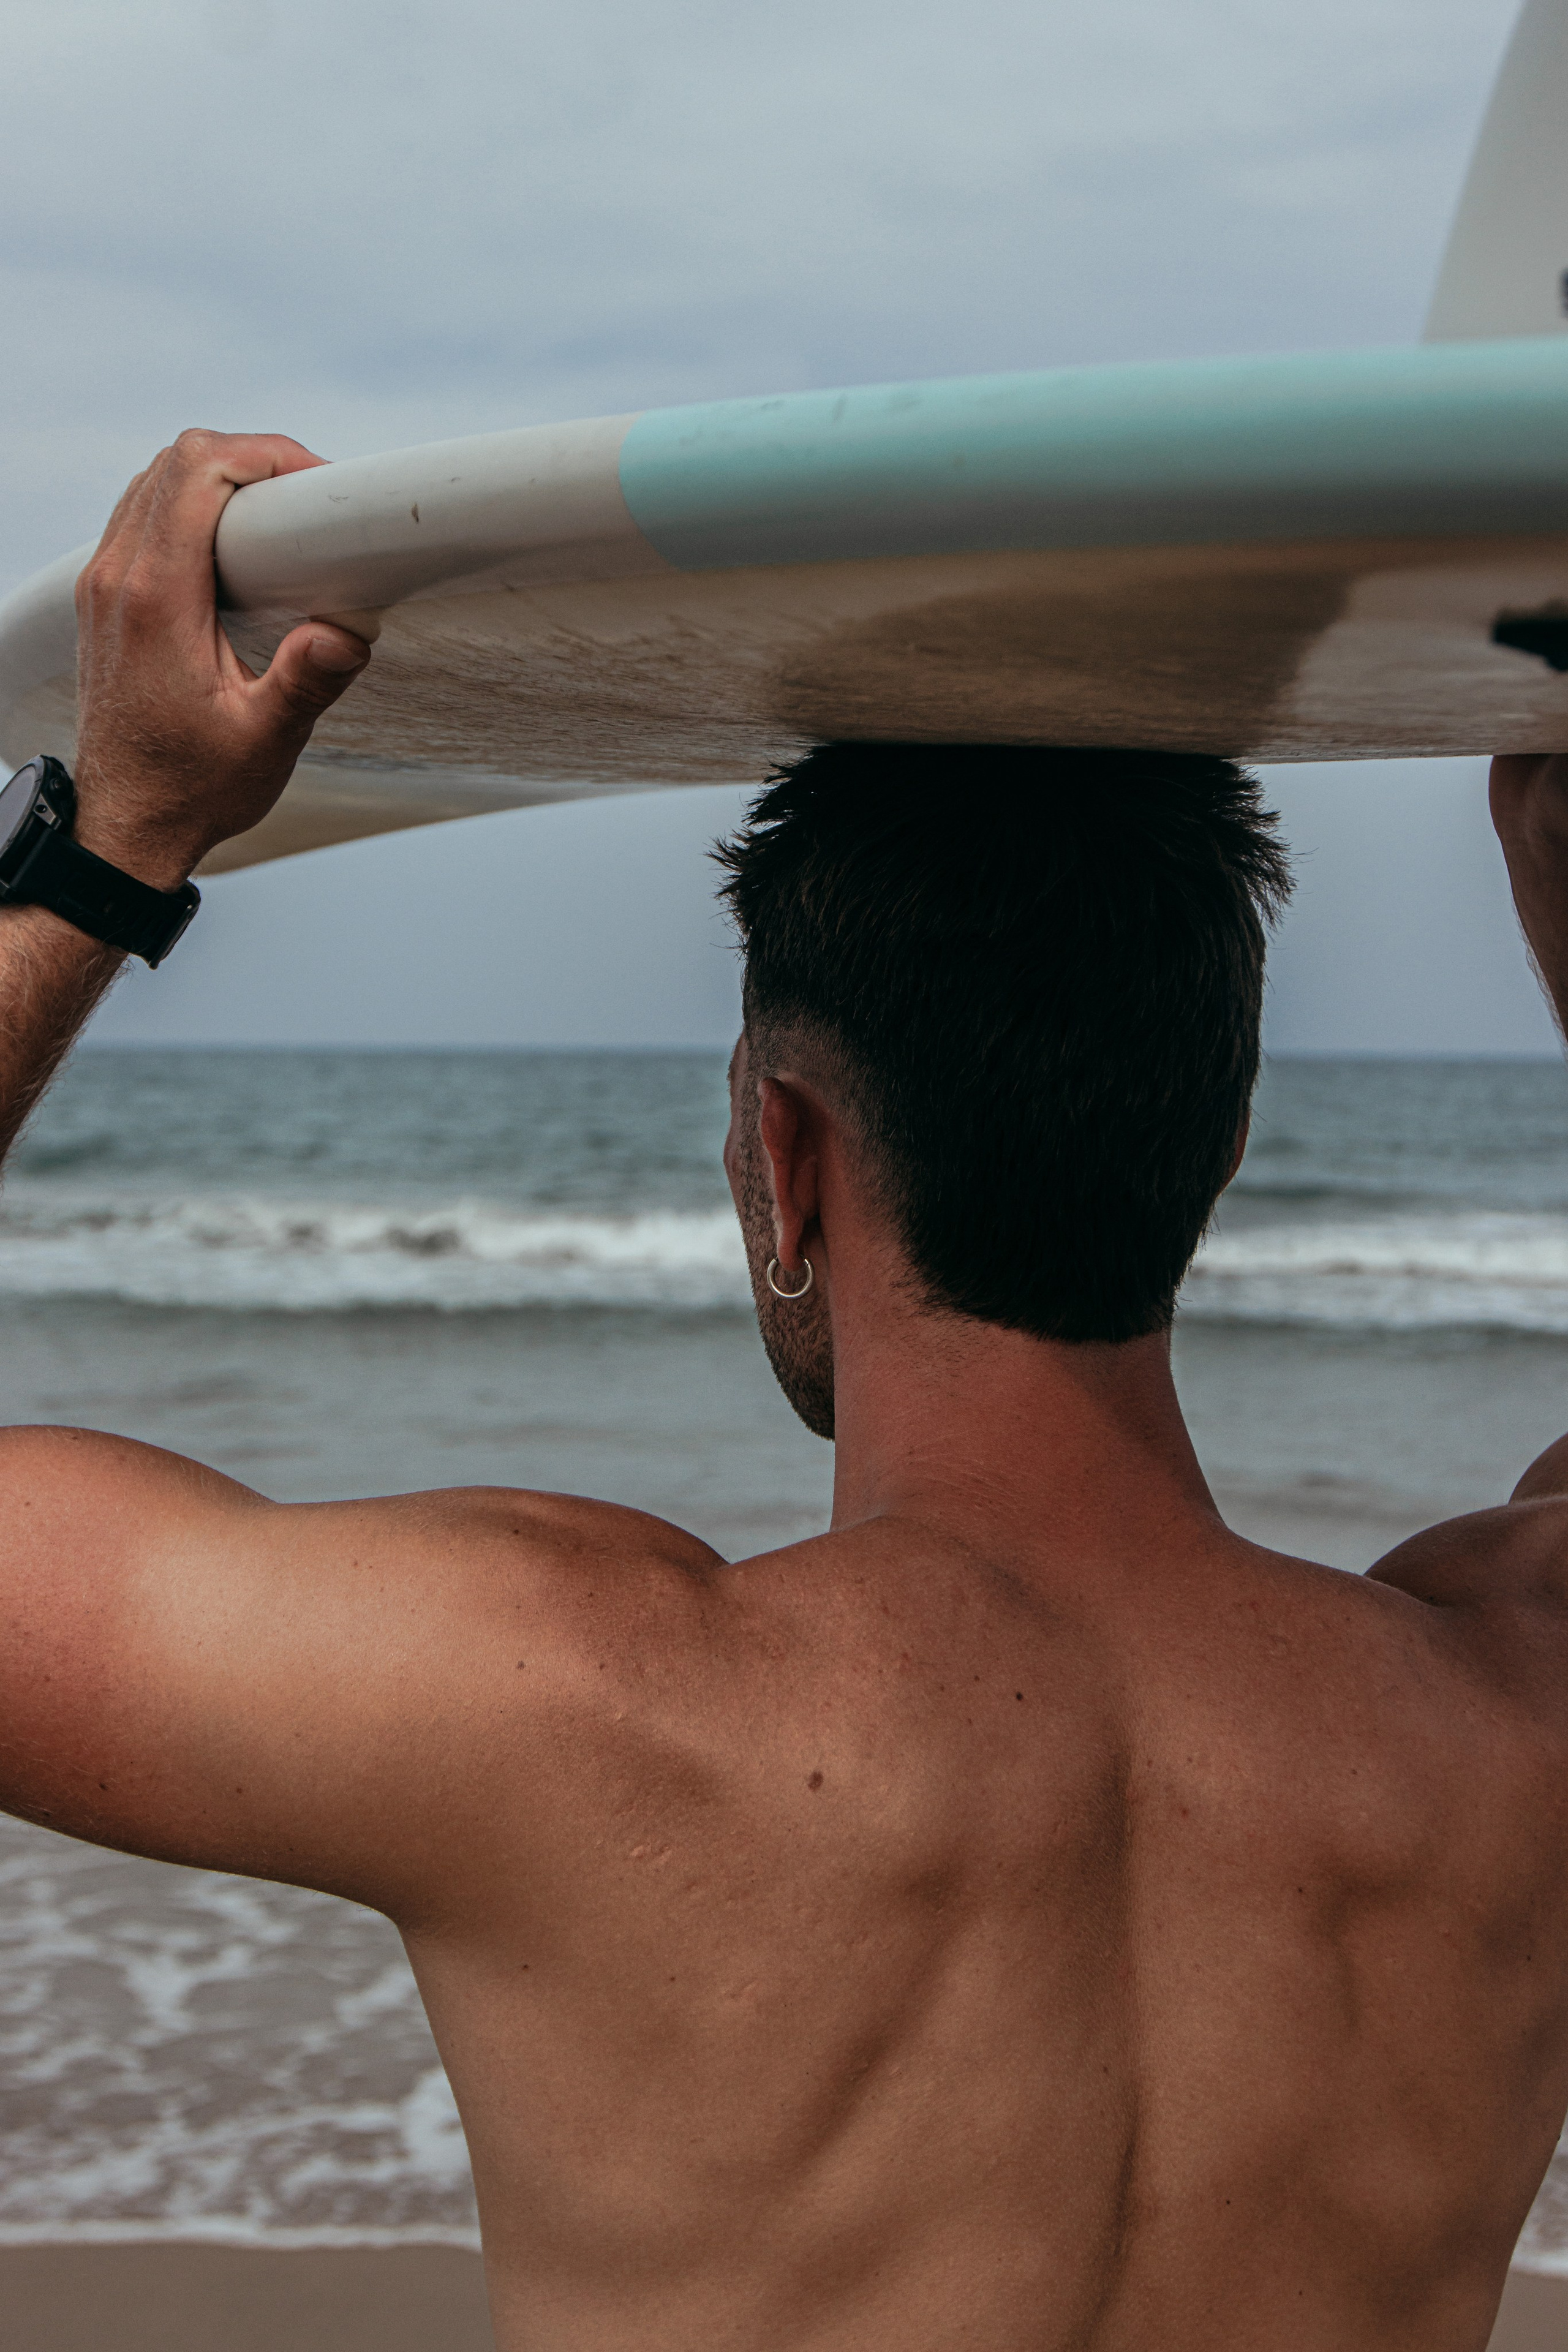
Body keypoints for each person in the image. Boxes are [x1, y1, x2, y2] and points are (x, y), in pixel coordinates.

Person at [3, 427, 1567, 2352]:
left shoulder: (573, 1707)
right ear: (1220, 1144)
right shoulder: (1515, 1727)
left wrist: (108, 845)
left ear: (788, 1152)